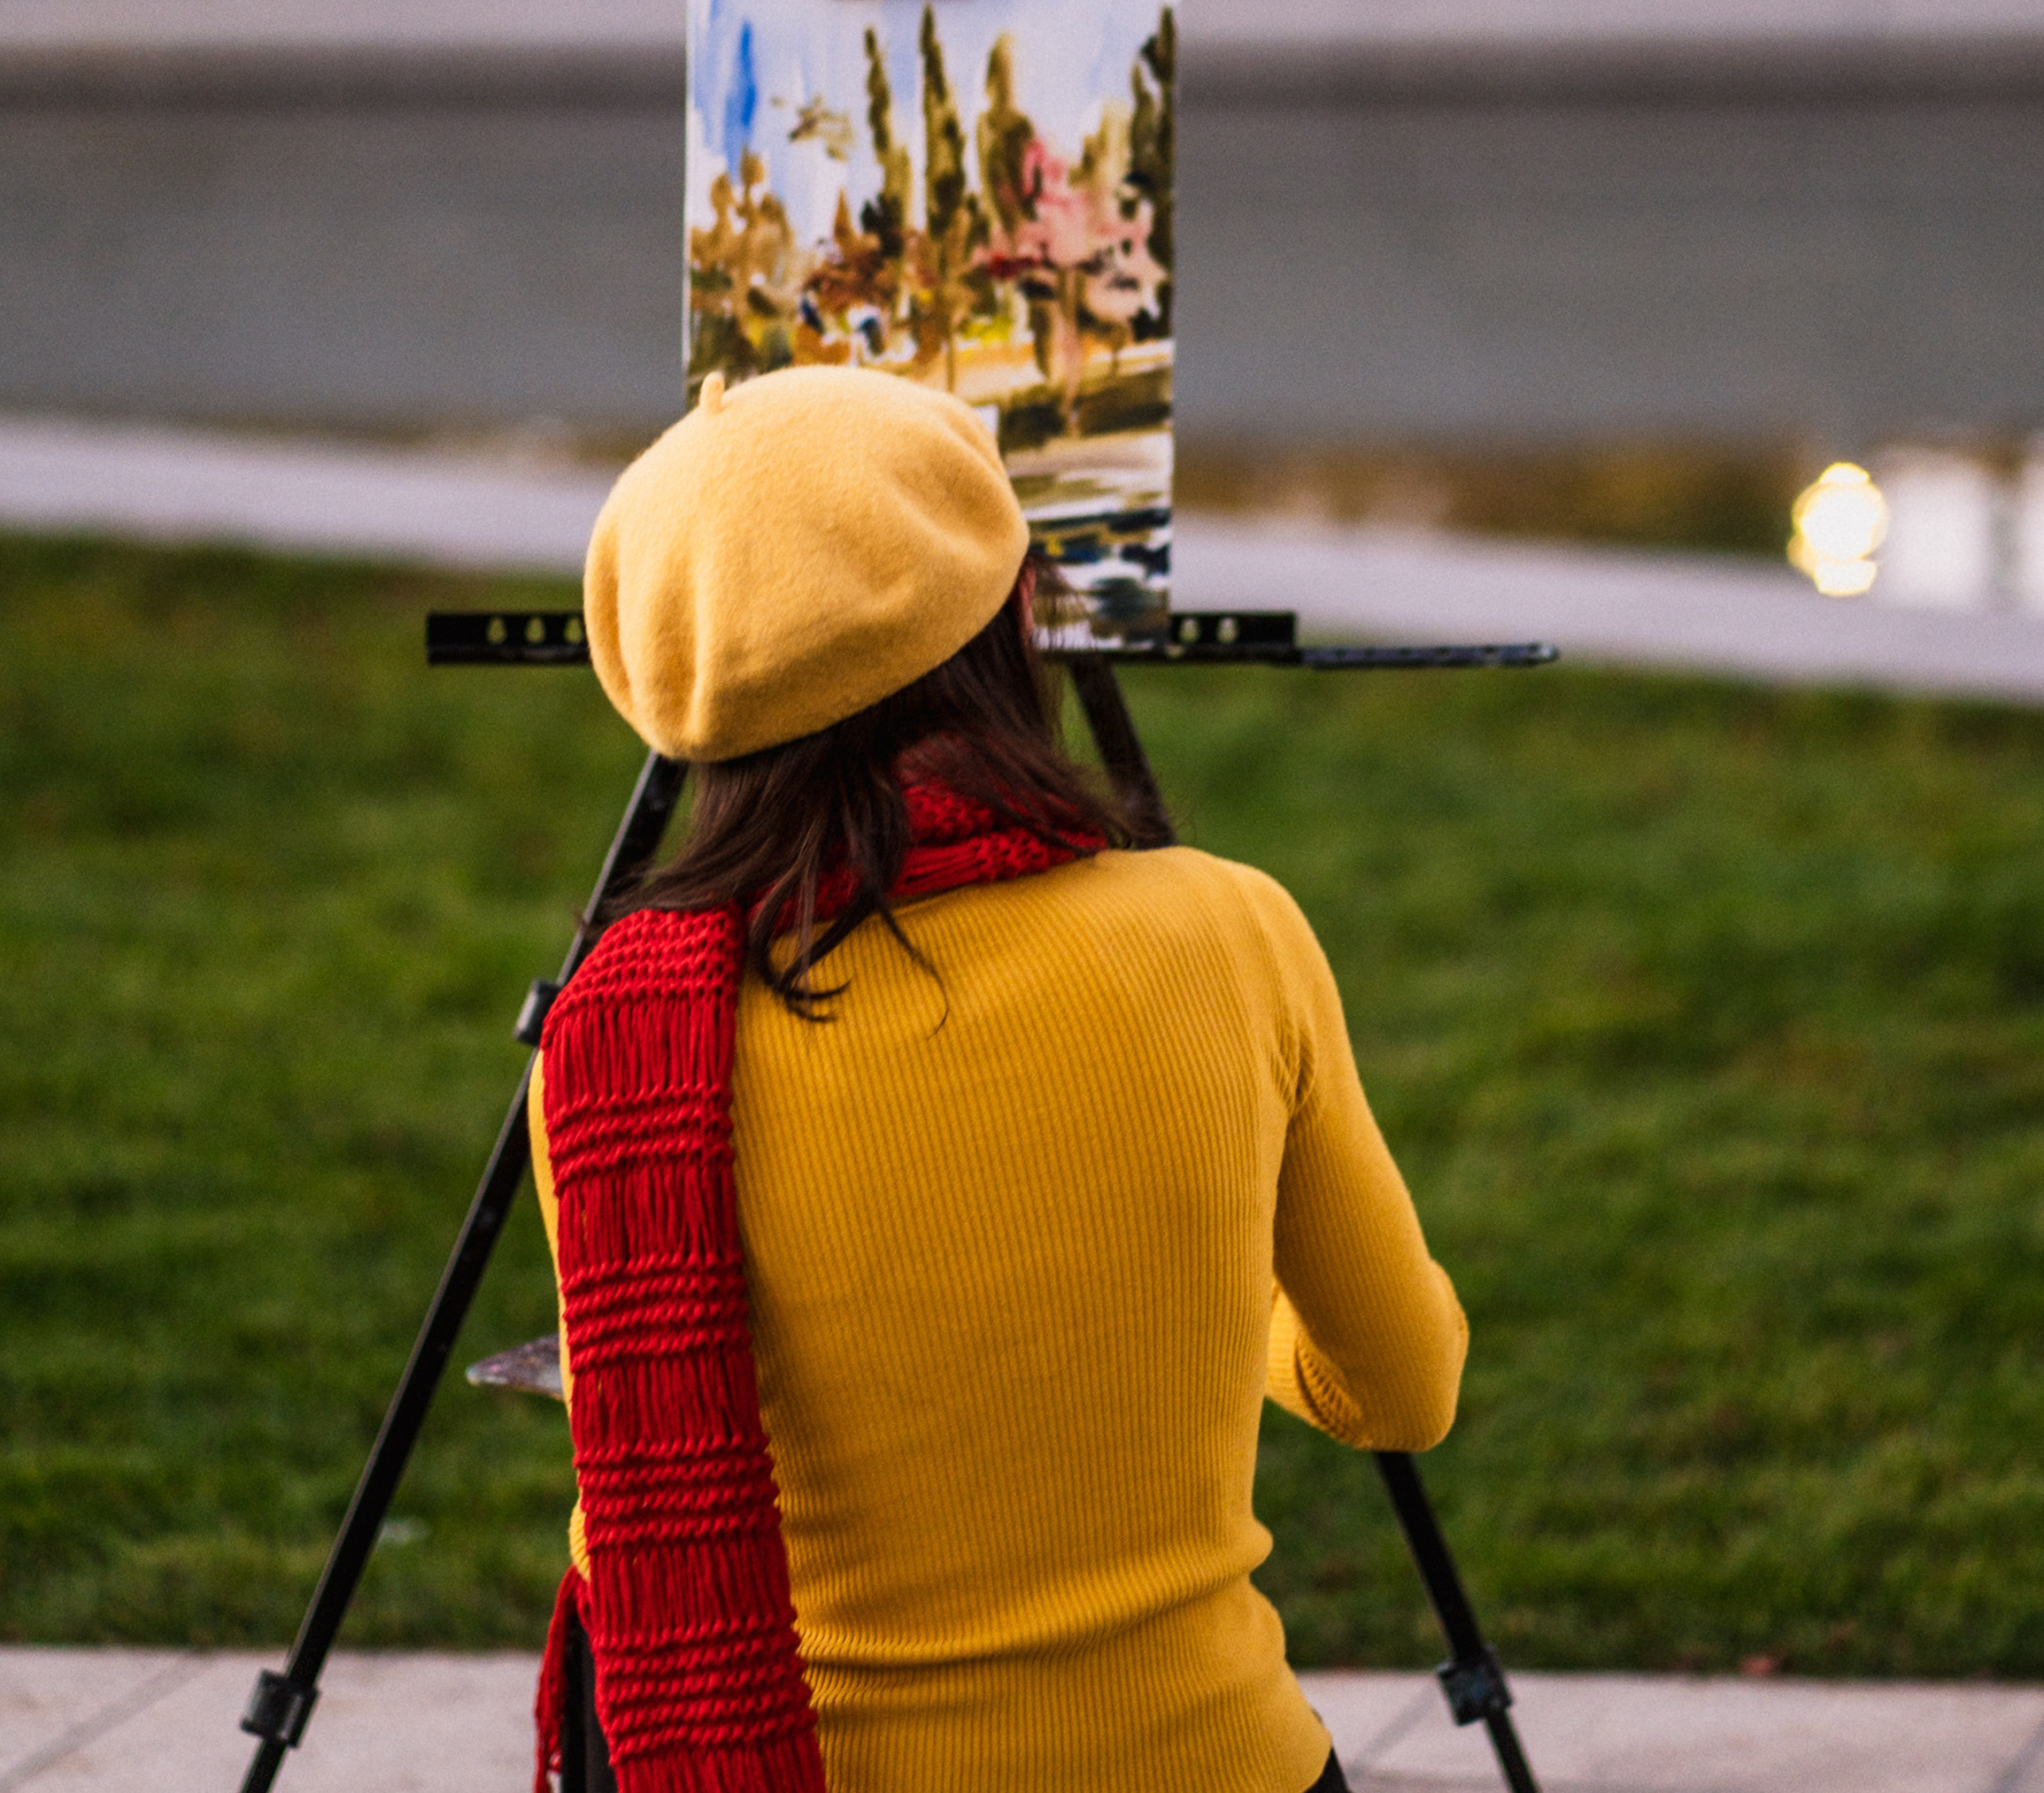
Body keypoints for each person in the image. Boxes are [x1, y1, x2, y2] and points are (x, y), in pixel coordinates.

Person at [526, 365, 1467, 1793]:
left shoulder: (622, 1046)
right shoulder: (1232, 932)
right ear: (1017, 616)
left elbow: (642, 1518)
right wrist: (1211, 1310)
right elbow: (1399, 1388)